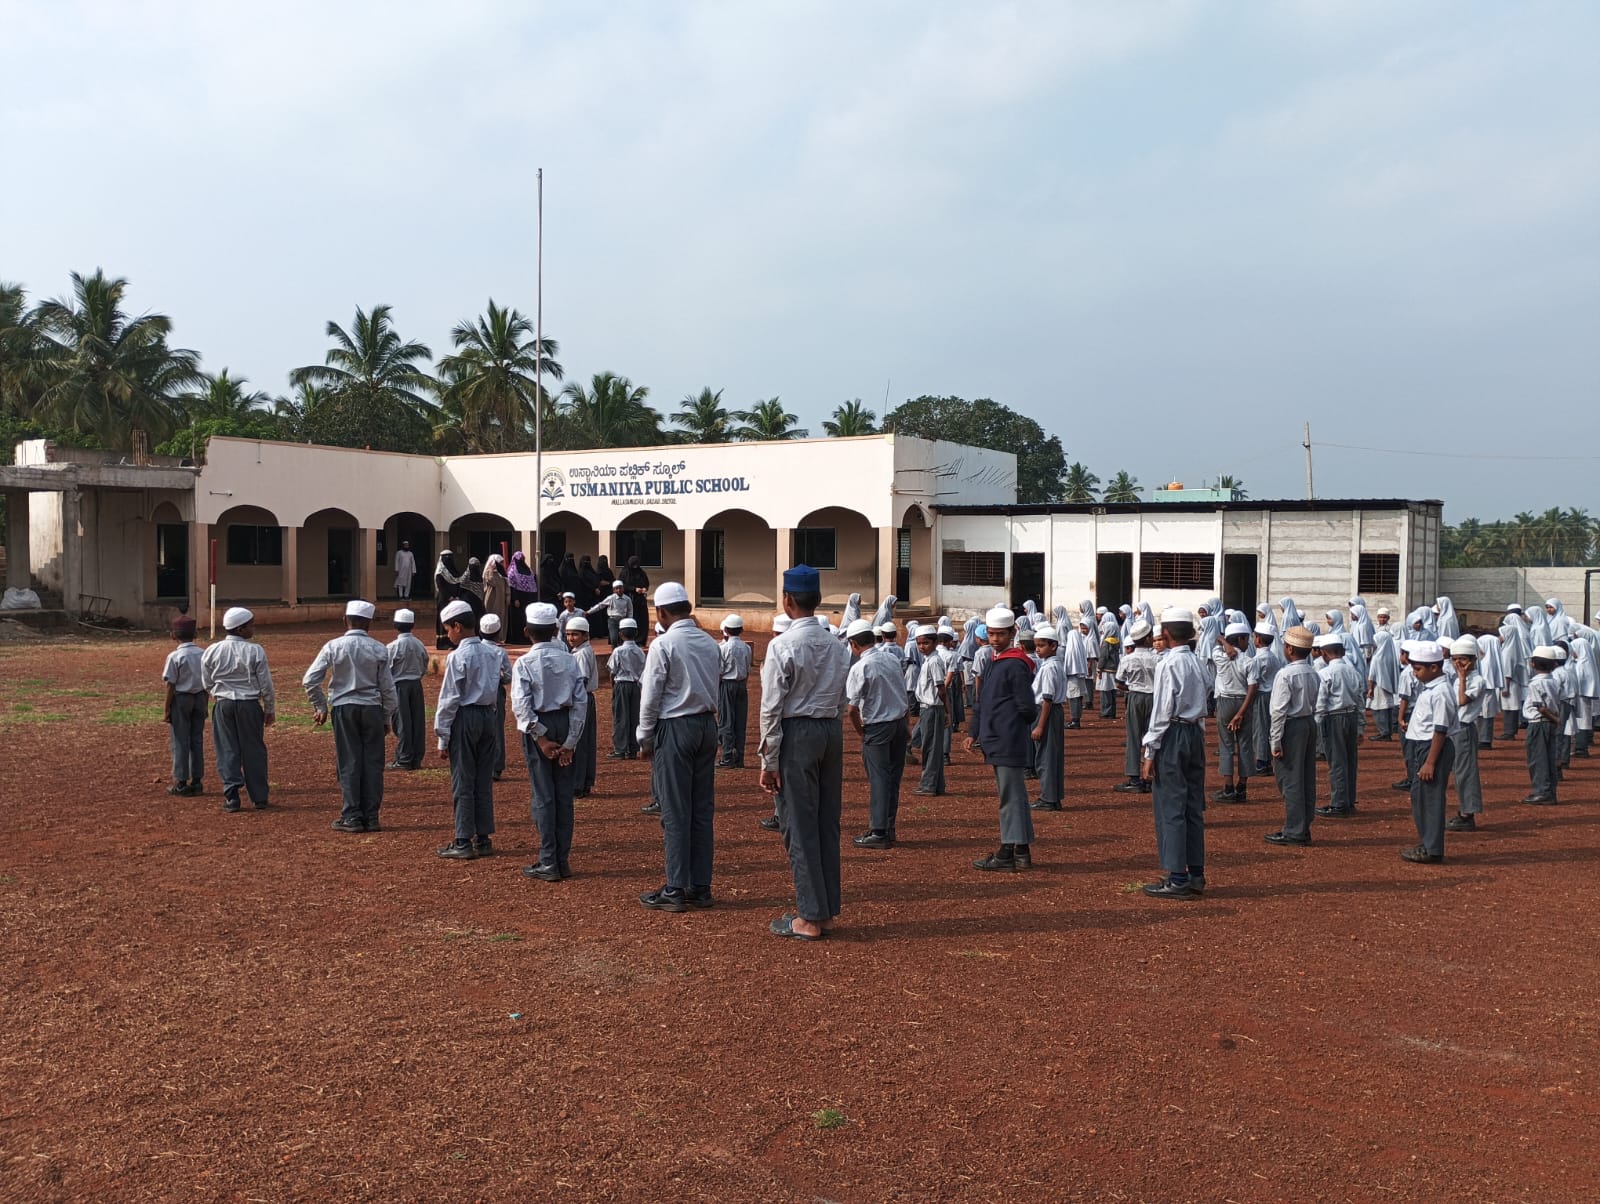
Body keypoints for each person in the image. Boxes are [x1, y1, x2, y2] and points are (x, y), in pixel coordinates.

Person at [760, 566, 851, 938]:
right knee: (826, 821)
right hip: (830, 730)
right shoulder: (837, 644)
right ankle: (826, 909)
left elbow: (771, 707)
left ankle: (810, 916)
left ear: (788, 600)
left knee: (797, 823)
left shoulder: (783, 645)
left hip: (797, 732)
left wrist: (768, 760)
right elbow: (844, 694)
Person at [638, 582, 722, 913]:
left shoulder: (664, 644)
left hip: (676, 726)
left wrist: (645, 737)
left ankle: (675, 888)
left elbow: (652, 695)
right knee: (701, 809)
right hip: (706, 725)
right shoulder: (710, 642)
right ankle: (700, 886)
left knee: (675, 811)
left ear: (660, 612)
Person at [305, 600, 398, 834]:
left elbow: (310, 680)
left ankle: (352, 815)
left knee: (349, 760)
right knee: (373, 763)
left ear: (345, 620)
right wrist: (386, 717)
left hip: (344, 708)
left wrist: (320, 706)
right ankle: (372, 816)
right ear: (369, 623)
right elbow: (388, 688)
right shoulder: (379, 649)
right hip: (372, 708)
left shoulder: (333, 646)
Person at [511, 601, 587, 878]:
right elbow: (581, 703)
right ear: (556, 629)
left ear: (526, 631)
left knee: (544, 795)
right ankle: (562, 860)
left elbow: (521, 705)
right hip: (564, 722)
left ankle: (548, 860)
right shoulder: (570, 660)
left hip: (539, 726)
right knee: (563, 795)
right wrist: (570, 742)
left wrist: (540, 738)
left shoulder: (524, 663)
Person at [1138, 608, 1208, 898]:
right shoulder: (1198, 662)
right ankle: (1196, 873)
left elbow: (1162, 711)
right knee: (1193, 805)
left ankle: (1177, 876)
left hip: (1173, 734)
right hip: (1195, 732)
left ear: (1164, 634)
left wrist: (1149, 750)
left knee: (1171, 805)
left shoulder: (1168, 665)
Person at [964, 606, 1038, 872]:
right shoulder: (998, 661)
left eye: (1001, 634)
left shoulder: (1015, 664)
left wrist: (1009, 725)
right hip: (1000, 738)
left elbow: (1027, 706)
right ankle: (1021, 851)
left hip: (1007, 738)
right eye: (992, 634)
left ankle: (1008, 851)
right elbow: (983, 701)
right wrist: (974, 732)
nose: (995, 639)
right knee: (1013, 794)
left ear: (1012, 633)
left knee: (1011, 796)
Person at [432, 599, 503, 859]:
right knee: (482, 779)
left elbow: (449, 698)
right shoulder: (493, 652)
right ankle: (482, 837)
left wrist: (443, 736)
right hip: (488, 716)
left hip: (466, 717)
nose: (447, 634)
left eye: (447, 629)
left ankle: (463, 839)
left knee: (463, 779)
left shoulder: (458, 656)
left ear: (458, 627)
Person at [200, 606, 275, 813]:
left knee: (227, 749)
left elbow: (206, 681)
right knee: (254, 750)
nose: (254, 628)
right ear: (241, 629)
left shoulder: (212, 650)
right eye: (251, 625)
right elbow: (266, 684)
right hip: (249, 704)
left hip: (223, 704)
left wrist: (217, 693)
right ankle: (259, 796)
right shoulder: (255, 650)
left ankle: (231, 795)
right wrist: (269, 707)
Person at [845, 617, 909, 849]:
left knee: (879, 779)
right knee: (893, 778)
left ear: (853, 644)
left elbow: (851, 709)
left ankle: (879, 830)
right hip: (899, 723)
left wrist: (861, 732)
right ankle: (888, 827)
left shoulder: (860, 667)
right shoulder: (891, 658)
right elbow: (902, 690)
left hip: (878, 726)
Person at [1401, 641, 1457, 863]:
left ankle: (1432, 848)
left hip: (1433, 748)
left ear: (1434, 667)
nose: (1414, 674)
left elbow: (1440, 729)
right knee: (1420, 797)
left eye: (1418, 669)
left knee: (1431, 798)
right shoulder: (1431, 688)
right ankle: (1427, 841)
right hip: (1422, 745)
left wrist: (1430, 762)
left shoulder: (1441, 691)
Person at [1266, 626, 1318, 847]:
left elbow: (1278, 710)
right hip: (1308, 722)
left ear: (1288, 648)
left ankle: (1294, 830)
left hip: (1291, 726)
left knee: (1290, 779)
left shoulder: (1286, 674)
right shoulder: (1313, 672)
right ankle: (1303, 826)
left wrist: (1275, 741)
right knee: (1306, 777)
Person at [1313, 632, 1364, 818]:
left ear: (1324, 654)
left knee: (1336, 762)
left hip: (1333, 718)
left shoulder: (1325, 673)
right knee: (1350, 760)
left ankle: (1339, 804)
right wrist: (1360, 727)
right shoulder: (1353, 671)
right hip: (1350, 716)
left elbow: (1321, 701)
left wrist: (1316, 724)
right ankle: (1348, 801)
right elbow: (1360, 700)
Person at [1210, 621, 1258, 803]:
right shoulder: (1249, 661)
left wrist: (1224, 642)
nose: (1249, 642)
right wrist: (1241, 713)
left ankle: (1228, 788)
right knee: (1245, 744)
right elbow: (1253, 688)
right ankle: (1242, 787)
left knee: (1226, 745)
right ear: (1241, 638)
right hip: (1244, 702)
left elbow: (1216, 640)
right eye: (1246, 639)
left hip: (1225, 702)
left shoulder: (1219, 656)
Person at [161, 616, 206, 796]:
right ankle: (197, 780)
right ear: (195, 633)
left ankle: (181, 781)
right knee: (197, 739)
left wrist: (166, 709)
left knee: (180, 740)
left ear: (173, 635)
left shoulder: (174, 656)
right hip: (201, 697)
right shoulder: (204, 653)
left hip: (181, 698)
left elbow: (170, 684)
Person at [1446, 636, 1486, 831]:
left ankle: (1467, 814)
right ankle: (1464, 810)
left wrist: (1461, 678)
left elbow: (1462, 701)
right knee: (1457, 771)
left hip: (1465, 728)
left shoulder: (1477, 680)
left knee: (1465, 771)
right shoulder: (1458, 679)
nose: (1458, 663)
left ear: (1472, 660)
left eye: (1462, 659)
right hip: (1454, 727)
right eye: (1454, 659)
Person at [1113, 619, 1156, 794]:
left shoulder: (1128, 659)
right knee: (1153, 736)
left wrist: (1130, 688)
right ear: (1147, 639)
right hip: (1154, 697)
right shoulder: (1157, 658)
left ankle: (1134, 777)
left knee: (1134, 736)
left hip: (1135, 696)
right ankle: (1151, 776)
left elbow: (1118, 682)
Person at [385, 607, 429, 771]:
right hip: (416, 684)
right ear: (413, 624)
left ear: (396, 625)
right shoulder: (419, 644)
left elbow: (386, 671)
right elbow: (425, 664)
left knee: (402, 722)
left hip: (399, 686)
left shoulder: (392, 647)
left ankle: (404, 758)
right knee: (417, 721)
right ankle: (416, 758)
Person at [1029, 624, 1065, 811]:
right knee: (1052, 755)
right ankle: (1053, 796)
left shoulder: (1050, 667)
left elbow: (1047, 698)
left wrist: (1040, 726)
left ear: (1053, 646)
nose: (1037, 649)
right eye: (1036, 645)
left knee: (1045, 757)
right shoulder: (1053, 664)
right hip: (1052, 712)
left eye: (1042, 645)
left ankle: (1048, 798)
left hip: (1047, 713)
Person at [910, 626, 947, 796]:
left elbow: (941, 687)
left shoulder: (934, 661)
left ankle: (928, 784)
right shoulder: (929, 660)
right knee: (933, 747)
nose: (922, 646)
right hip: (929, 708)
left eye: (926, 642)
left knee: (930, 748)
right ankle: (937, 784)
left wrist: (947, 710)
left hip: (932, 708)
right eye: (919, 643)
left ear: (935, 642)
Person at [565, 615, 599, 797]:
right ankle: (584, 781)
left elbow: (582, 679)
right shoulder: (582, 651)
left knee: (579, 741)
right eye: (568, 634)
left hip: (581, 699)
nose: (571, 638)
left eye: (575, 635)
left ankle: (578, 783)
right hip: (585, 699)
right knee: (585, 740)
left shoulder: (581, 654)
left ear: (585, 635)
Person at [1522, 646, 1562, 804]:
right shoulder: (1553, 680)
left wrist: (1553, 718)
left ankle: (1542, 792)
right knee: (1548, 757)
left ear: (1533, 664)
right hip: (1549, 723)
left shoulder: (1535, 683)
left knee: (1538, 758)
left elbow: (1541, 707)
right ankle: (1549, 790)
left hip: (1539, 722)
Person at [715, 615, 752, 768]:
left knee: (726, 721)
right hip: (742, 685)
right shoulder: (747, 648)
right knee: (740, 721)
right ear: (741, 630)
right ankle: (740, 757)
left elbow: (719, 670)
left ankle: (728, 756)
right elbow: (748, 668)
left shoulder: (722, 648)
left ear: (725, 630)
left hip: (727, 685)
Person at [479, 613, 512, 781]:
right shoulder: (500, 652)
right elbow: (508, 677)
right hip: (496, 690)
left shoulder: (477, 649)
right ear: (498, 632)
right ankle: (496, 766)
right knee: (497, 727)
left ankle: (481, 764)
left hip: (478, 691)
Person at [606, 617, 645, 760]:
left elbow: (612, 671)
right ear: (636, 633)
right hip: (635, 686)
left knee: (621, 717)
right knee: (634, 716)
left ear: (620, 634)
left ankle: (620, 749)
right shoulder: (640, 651)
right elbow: (643, 670)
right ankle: (633, 748)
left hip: (621, 684)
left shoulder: (618, 651)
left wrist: (613, 687)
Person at [1250, 621, 1282, 775]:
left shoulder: (1257, 659)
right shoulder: (1273, 657)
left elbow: (1254, 682)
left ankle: (1262, 762)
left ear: (1258, 639)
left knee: (1260, 728)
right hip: (1272, 694)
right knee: (1269, 727)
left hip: (1261, 695)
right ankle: (1267, 760)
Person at [433, 551, 464, 649]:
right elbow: (441, 588)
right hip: (444, 600)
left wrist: (457, 596)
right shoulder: (440, 573)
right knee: (444, 620)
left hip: (455, 600)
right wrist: (449, 597)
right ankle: (443, 642)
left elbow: (459, 584)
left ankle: (453, 642)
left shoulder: (454, 571)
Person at [592, 579, 632, 647]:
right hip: (613, 620)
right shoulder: (610, 598)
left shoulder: (627, 599)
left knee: (623, 639)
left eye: (620, 588)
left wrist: (629, 619)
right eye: (616, 588)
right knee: (614, 638)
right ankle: (614, 652)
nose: (619, 590)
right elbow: (600, 605)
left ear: (623, 589)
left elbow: (630, 610)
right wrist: (589, 611)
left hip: (623, 620)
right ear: (613, 590)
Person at [506, 551, 539, 632]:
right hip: (519, 600)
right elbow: (512, 587)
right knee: (519, 618)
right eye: (520, 559)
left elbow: (534, 583)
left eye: (522, 559)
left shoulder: (529, 570)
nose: (521, 560)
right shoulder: (512, 572)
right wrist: (515, 599)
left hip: (529, 598)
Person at [623, 555, 651, 642]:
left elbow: (646, 582)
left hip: (641, 600)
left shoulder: (641, 572)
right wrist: (634, 589)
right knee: (632, 619)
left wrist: (644, 588)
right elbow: (623, 585)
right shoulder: (625, 573)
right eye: (633, 565)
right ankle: (631, 639)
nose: (635, 567)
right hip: (630, 600)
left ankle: (641, 640)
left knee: (642, 620)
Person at [482, 553, 510, 636]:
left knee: (501, 617)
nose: (501, 564)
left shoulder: (502, 573)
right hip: (492, 598)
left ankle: (500, 636)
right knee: (491, 616)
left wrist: (507, 596)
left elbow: (507, 585)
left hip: (501, 600)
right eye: (500, 562)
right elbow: (491, 582)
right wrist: (491, 571)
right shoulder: (488, 572)